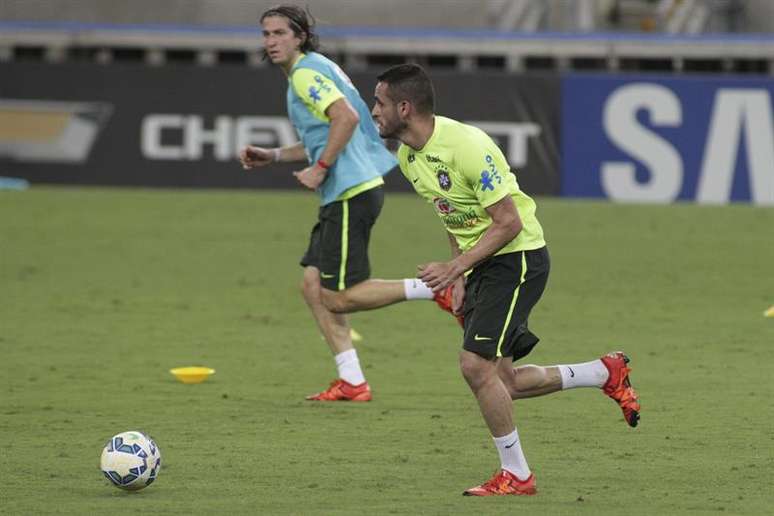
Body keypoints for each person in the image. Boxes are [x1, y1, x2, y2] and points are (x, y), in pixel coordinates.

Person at [369, 63, 641, 496]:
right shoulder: (408, 156)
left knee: (475, 367)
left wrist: (454, 269)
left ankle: (517, 475)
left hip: (516, 260)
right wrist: (458, 272)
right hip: (482, 264)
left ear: (404, 106)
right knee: (504, 382)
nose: (374, 111)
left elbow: (508, 223)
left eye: (380, 102)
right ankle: (602, 372)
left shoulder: (468, 146)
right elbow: (452, 213)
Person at [239, 5, 458, 402]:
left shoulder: (305, 75)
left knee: (339, 296)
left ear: (300, 36)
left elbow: (345, 119)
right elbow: (331, 131)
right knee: (312, 284)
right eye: (266, 34)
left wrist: (320, 168)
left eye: (279, 34)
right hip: (354, 188)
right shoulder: (318, 66)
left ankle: (434, 290)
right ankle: (352, 380)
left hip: (350, 191)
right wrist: (272, 156)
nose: (270, 42)